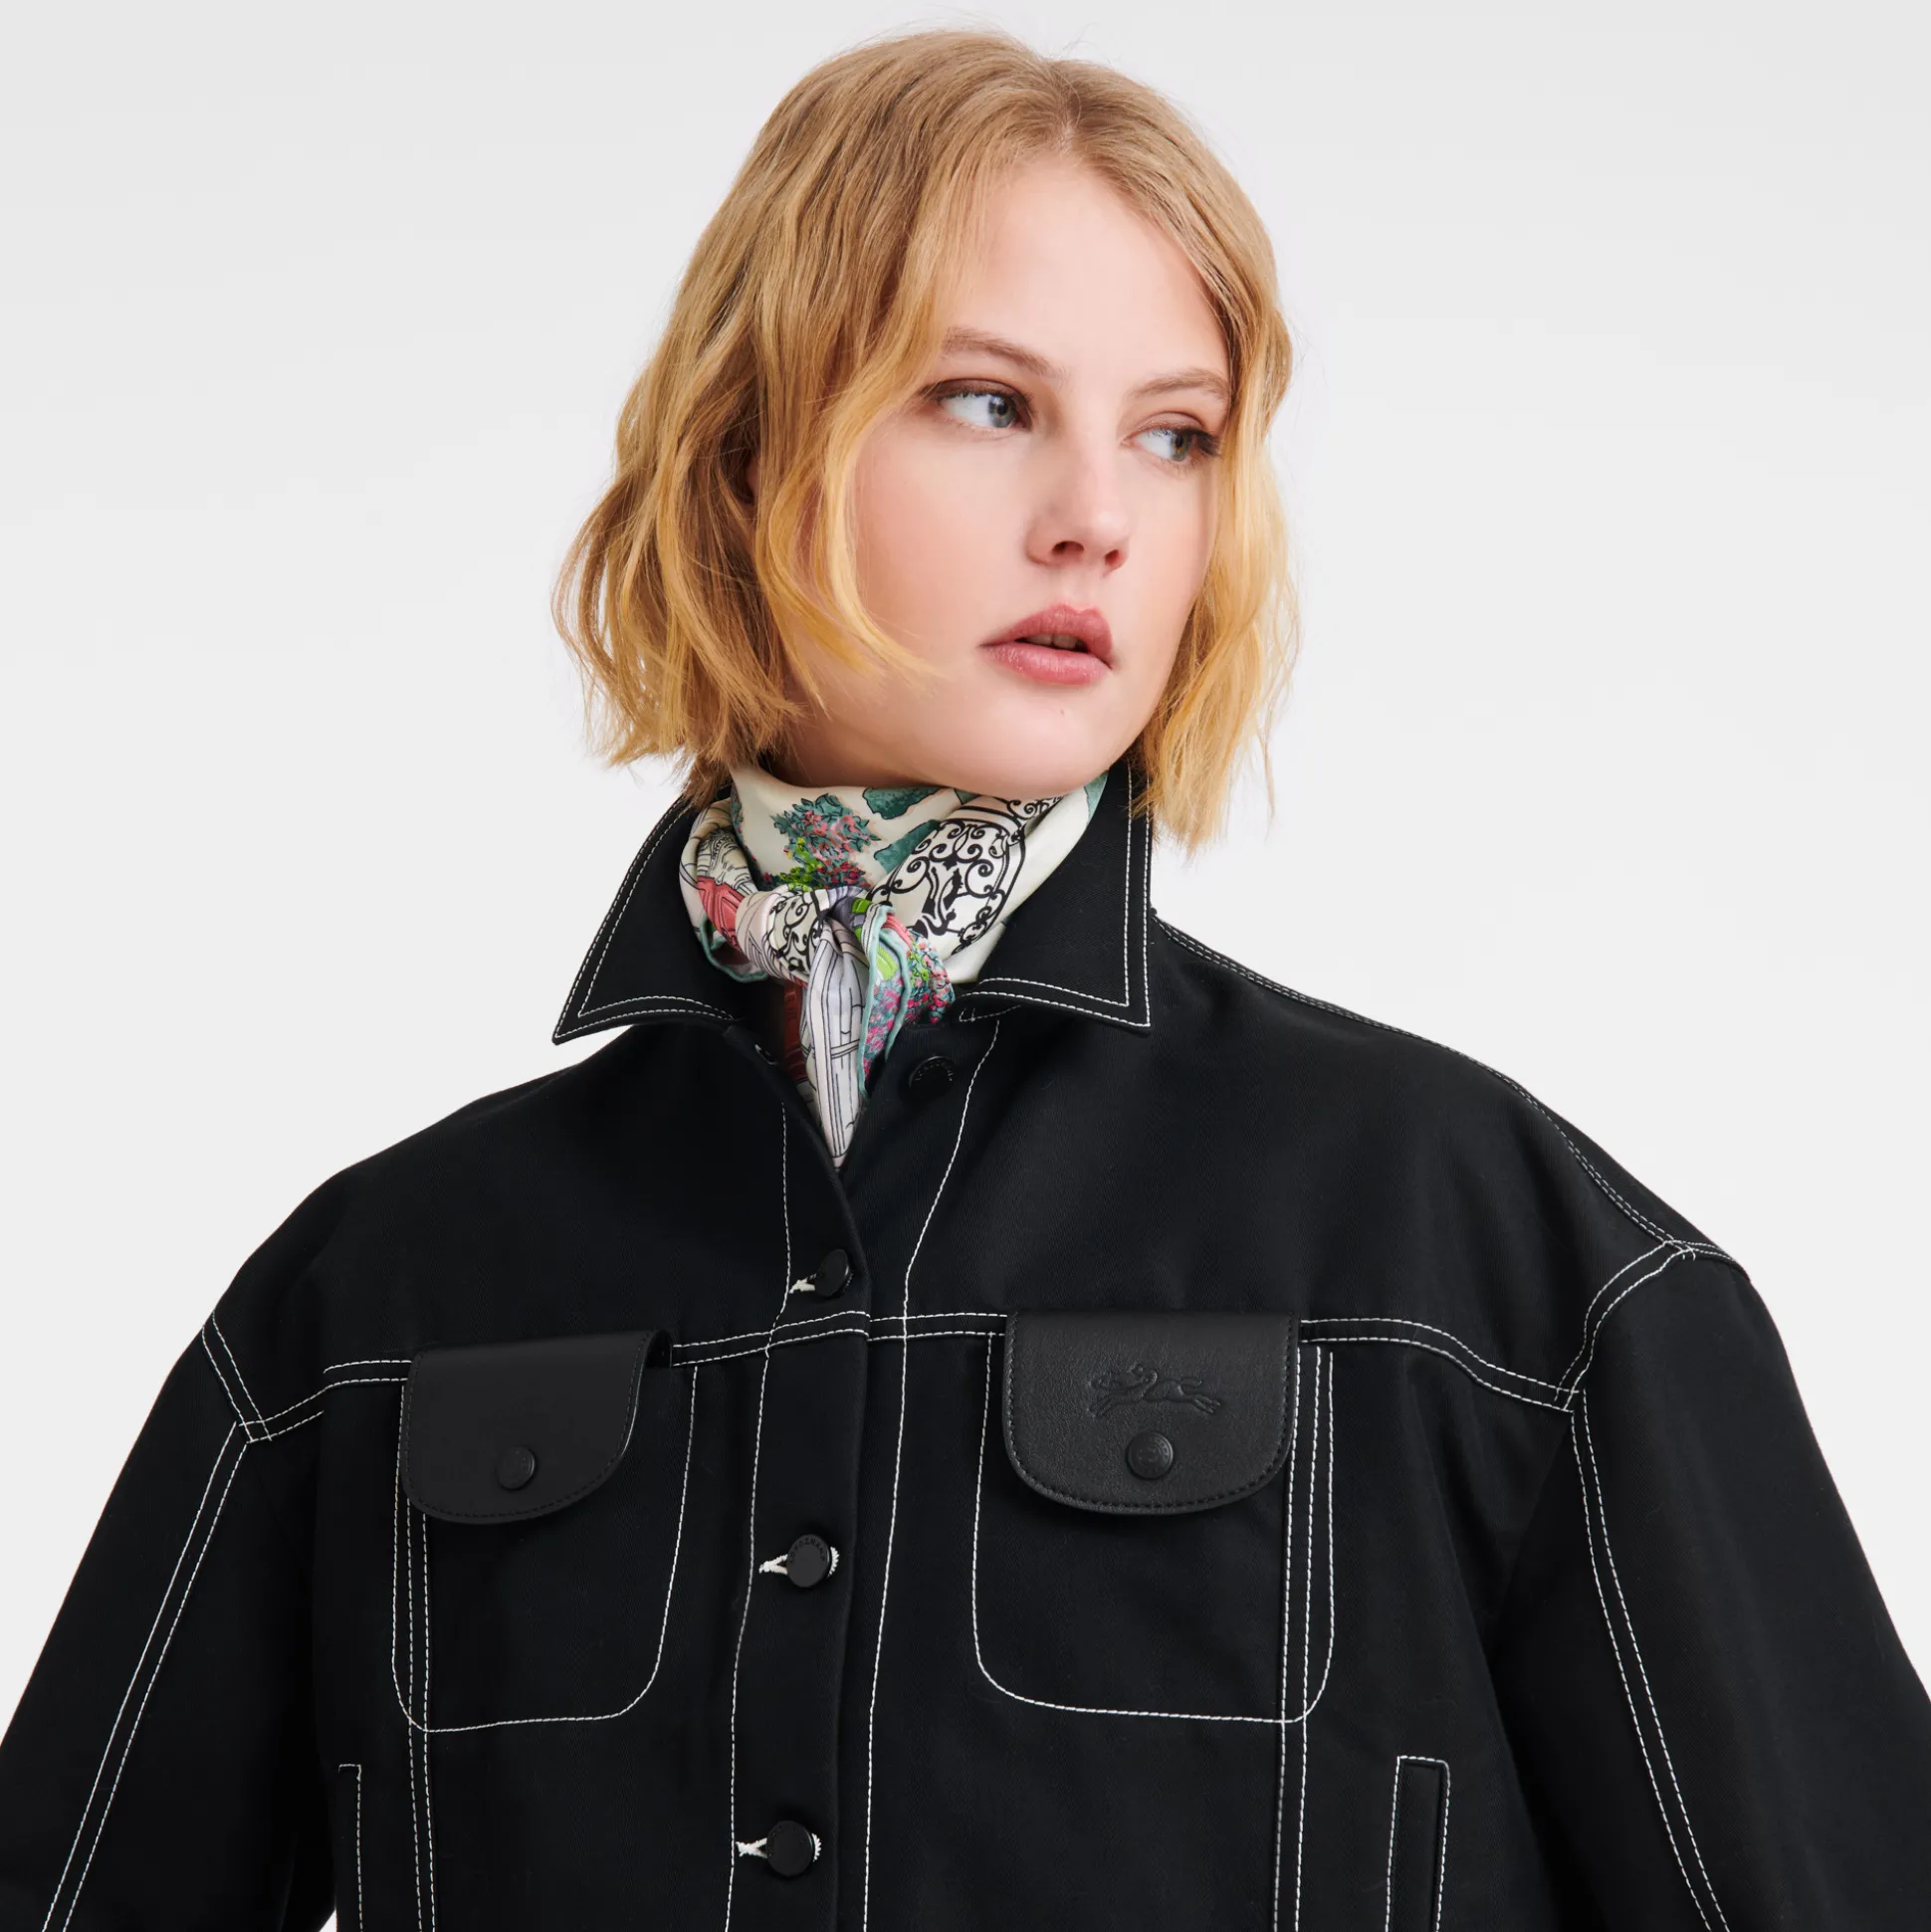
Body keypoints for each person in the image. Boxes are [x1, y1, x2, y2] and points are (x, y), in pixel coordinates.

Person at [2, 24, 1926, 1932]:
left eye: (1176, 434)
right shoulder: (376, 1297)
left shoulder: (1475, 1253)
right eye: (989, 401)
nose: (1100, 512)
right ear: (748, 451)